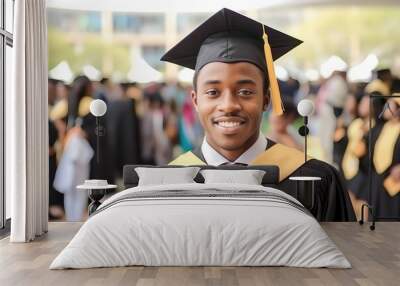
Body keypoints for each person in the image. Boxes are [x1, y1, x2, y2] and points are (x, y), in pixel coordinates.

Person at [162, 8, 355, 221]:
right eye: (213, 92)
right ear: (196, 100)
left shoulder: (315, 180)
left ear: (266, 99)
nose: (228, 105)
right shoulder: (168, 184)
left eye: (245, 92)